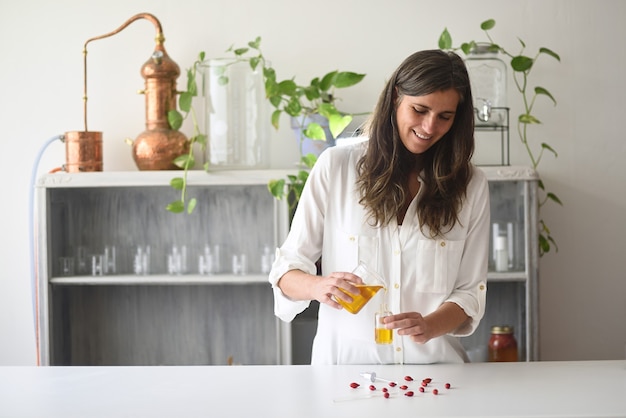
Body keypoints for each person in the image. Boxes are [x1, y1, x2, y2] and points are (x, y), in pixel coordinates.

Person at [268, 49, 490, 365]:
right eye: (420, 109)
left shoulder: (471, 186)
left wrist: (429, 326)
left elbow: (469, 294)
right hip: (343, 377)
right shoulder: (337, 167)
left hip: (436, 378)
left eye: (445, 116)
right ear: (397, 96)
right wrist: (319, 286)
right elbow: (286, 269)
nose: (429, 127)